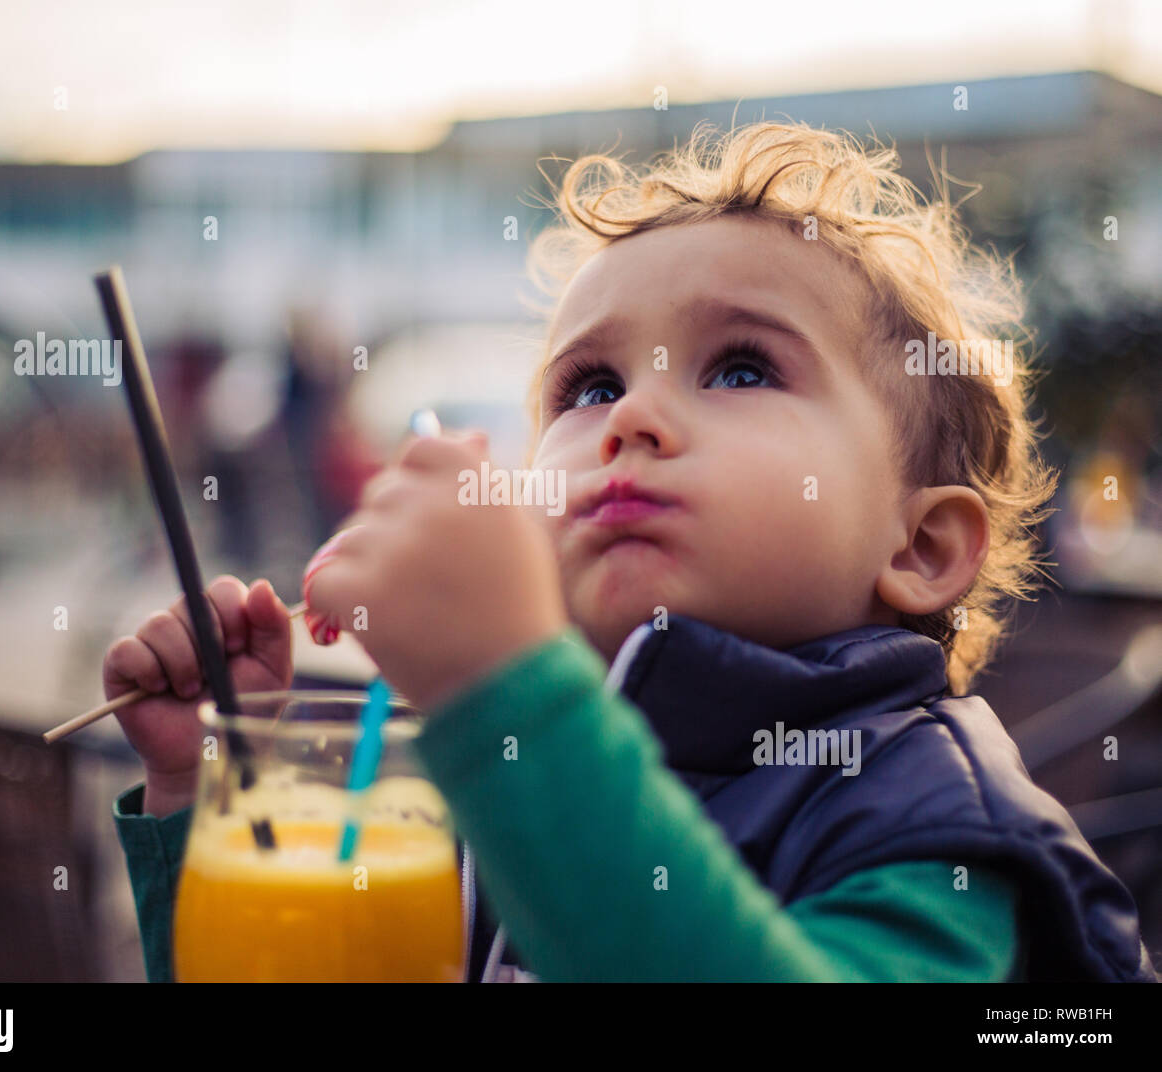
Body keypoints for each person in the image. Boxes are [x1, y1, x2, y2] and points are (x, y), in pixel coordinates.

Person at [103, 121, 1158, 982]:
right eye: (590, 387)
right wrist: (200, 792)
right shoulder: (493, 775)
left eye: (740, 369)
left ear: (922, 546)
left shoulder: (935, 830)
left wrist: (504, 683)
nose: (633, 416)